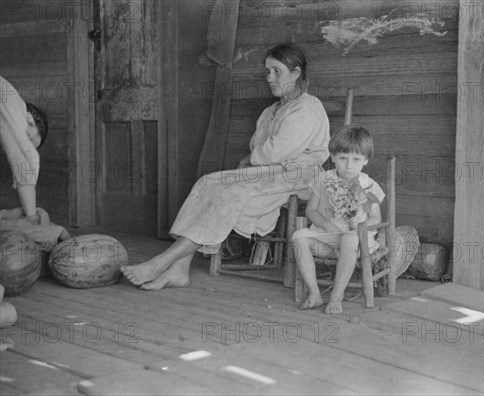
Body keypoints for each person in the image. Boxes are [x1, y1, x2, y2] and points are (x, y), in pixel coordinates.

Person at [122, 43, 330, 290]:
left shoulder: (307, 108)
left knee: (232, 193)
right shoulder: (272, 110)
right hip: (270, 171)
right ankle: (179, 270)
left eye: (277, 71)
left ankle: (160, 262)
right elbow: (260, 149)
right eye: (267, 72)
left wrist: (253, 158)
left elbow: (273, 151)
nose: (269, 78)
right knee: (207, 182)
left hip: (302, 177)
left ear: (296, 73)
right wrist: (253, 158)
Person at [292, 125, 385, 314]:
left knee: (350, 238)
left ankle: (336, 295)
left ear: (365, 160)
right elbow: (311, 211)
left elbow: (376, 218)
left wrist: (362, 225)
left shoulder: (368, 186)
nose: (349, 166)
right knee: (298, 237)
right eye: (343, 158)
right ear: (333, 157)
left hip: (357, 245)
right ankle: (315, 293)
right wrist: (327, 224)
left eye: (356, 159)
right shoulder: (323, 180)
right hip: (328, 239)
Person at [0, 76, 48, 224]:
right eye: (32, 139)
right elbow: (26, 157)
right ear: (31, 118)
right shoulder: (17, 109)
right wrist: (32, 217)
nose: (28, 143)